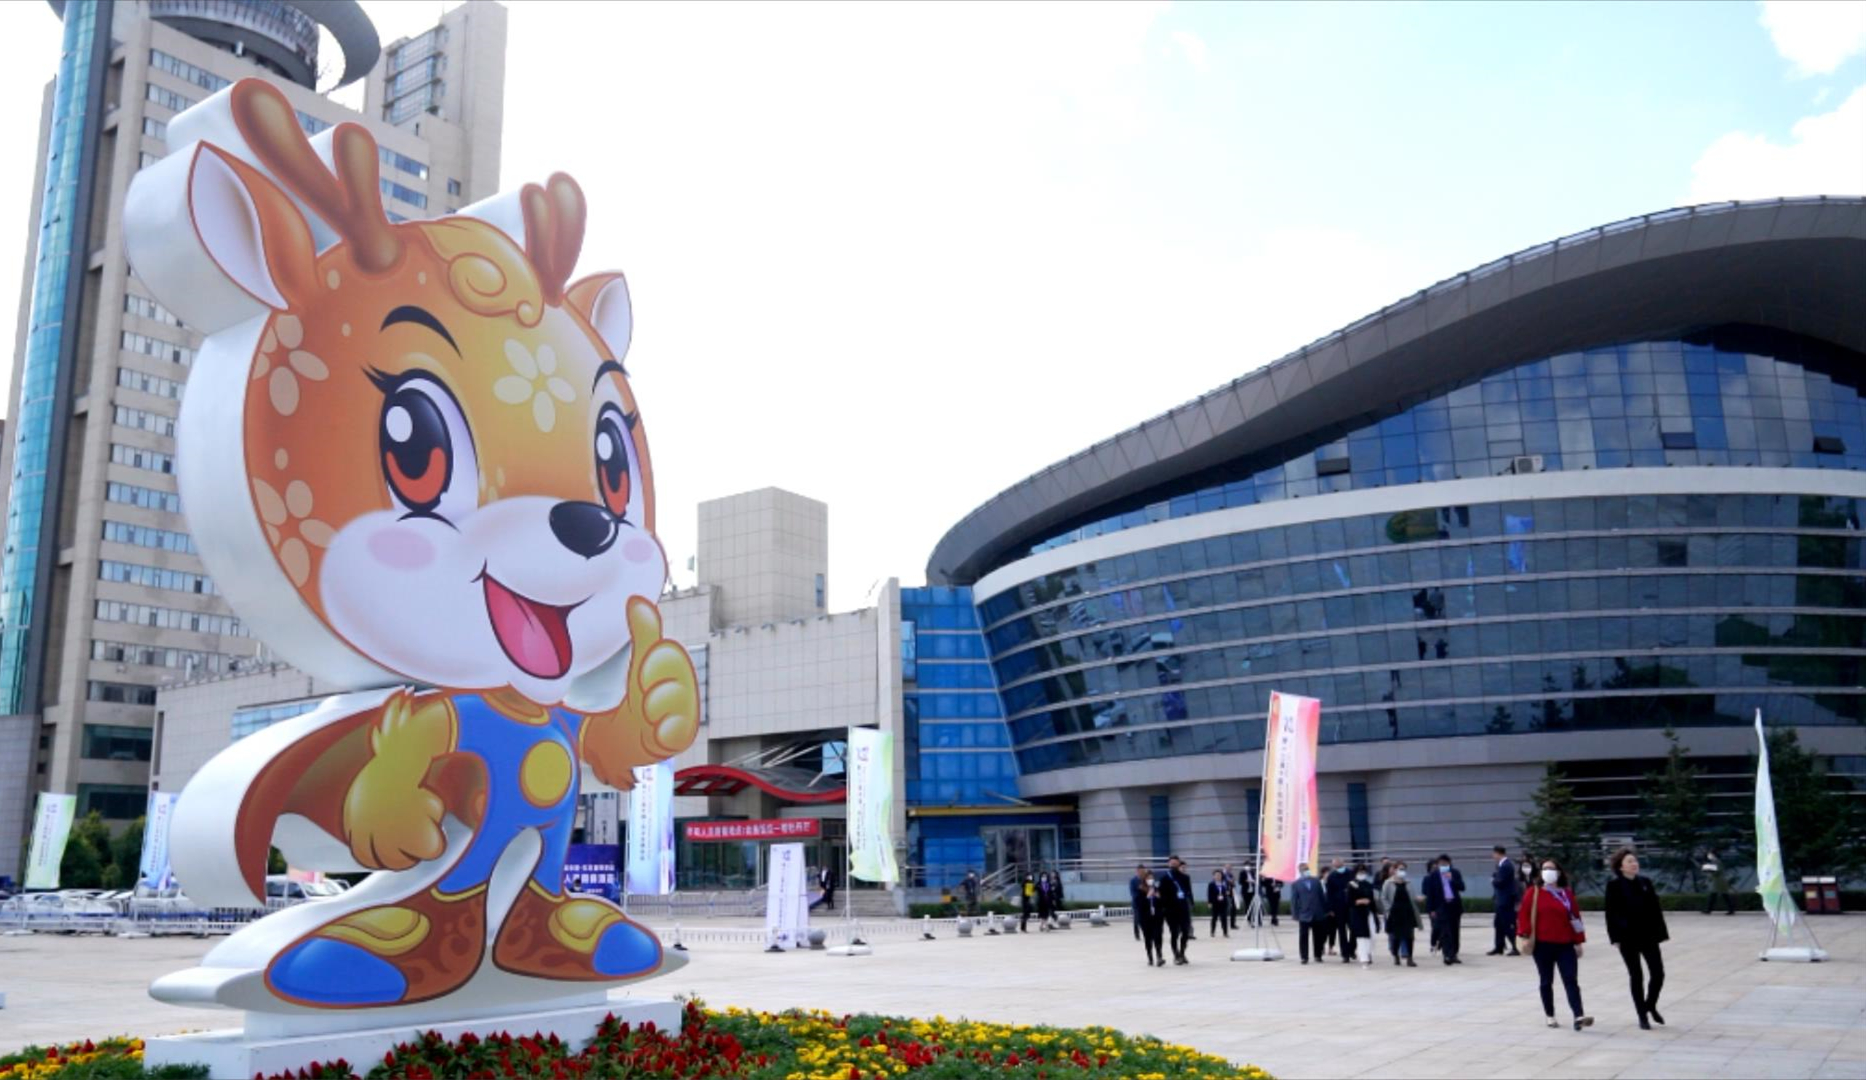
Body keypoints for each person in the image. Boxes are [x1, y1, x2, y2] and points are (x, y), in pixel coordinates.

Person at [1519, 857, 1594, 1031]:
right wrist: (1524, 935)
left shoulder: (1566, 894)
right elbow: (1523, 915)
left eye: (1551, 868)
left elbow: (1575, 918)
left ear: (1559, 873)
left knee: (1571, 979)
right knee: (1546, 981)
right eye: (1545, 868)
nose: (1548, 871)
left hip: (1565, 944)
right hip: (1542, 945)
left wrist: (1578, 941)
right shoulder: (1534, 892)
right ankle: (1550, 1015)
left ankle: (1578, 1015)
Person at [1604, 848, 1669, 1029]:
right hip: (1627, 938)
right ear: (1621, 867)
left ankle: (1650, 1004)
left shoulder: (1645, 882)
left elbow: (1656, 909)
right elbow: (1610, 914)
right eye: (1630, 861)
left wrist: (1662, 933)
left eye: (1635, 860)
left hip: (1649, 936)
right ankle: (1642, 1015)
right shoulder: (1614, 886)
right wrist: (1615, 937)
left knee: (1658, 973)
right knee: (1636, 976)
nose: (1634, 864)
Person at [1424, 853, 1466, 965]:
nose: (1443, 866)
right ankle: (1447, 955)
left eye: (1445, 864)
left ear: (1449, 864)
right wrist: (1431, 909)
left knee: (1455, 931)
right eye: (1441, 864)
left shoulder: (1455, 873)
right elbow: (1430, 893)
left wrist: (1451, 879)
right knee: (1445, 932)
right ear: (1438, 864)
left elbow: (1462, 887)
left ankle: (1454, 954)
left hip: (1454, 907)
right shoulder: (1433, 875)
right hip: (1441, 908)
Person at [1379, 861, 1423, 966]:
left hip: (1408, 912)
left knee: (1409, 936)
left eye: (1404, 869)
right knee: (1396, 937)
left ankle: (1410, 958)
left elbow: (1412, 896)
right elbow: (1383, 897)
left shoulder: (1408, 882)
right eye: (1400, 869)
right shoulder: (1388, 883)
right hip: (1395, 913)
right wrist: (1389, 909)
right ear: (1394, 870)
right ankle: (1395, 955)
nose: (1402, 871)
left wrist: (1418, 899)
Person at [1290, 862, 1329, 964]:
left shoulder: (1316, 881)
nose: (1306, 871)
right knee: (1303, 936)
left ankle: (1318, 955)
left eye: (1307, 869)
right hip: (1304, 913)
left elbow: (1322, 896)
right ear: (1300, 871)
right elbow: (1294, 900)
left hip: (1317, 912)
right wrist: (1295, 914)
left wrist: (1325, 910)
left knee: (1318, 936)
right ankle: (1304, 957)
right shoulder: (1296, 884)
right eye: (1304, 870)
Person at [1489, 844, 1522, 956]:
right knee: (1498, 924)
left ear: (1498, 853)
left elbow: (1500, 882)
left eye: (1494, 854)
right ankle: (1499, 946)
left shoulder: (1506, 866)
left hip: (1506, 900)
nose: (1493, 856)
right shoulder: (1501, 865)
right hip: (1501, 899)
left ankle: (1516, 946)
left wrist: (1493, 880)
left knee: (1508, 924)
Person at [1347, 864, 1376, 962]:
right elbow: (1349, 901)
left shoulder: (1368, 884)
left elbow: (1372, 900)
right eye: (1360, 872)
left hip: (1368, 912)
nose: (1362, 874)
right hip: (1357, 913)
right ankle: (1364, 957)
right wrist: (1358, 901)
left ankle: (1369, 952)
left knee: (1372, 935)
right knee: (1362, 936)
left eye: (1363, 872)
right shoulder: (1352, 884)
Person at [1323, 858, 1351, 959]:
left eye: (1339, 865)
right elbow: (1329, 894)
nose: (1337, 867)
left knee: (1354, 929)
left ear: (1343, 863)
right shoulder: (1332, 876)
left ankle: (1351, 948)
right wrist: (1330, 909)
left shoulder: (1350, 873)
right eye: (1336, 866)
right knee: (1342, 931)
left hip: (1351, 906)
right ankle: (1345, 954)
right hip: (1338, 907)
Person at [1138, 874, 1168, 967]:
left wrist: (1159, 897)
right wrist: (1147, 896)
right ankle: (1150, 957)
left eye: (1152, 878)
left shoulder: (1157, 889)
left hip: (1157, 917)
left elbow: (1163, 902)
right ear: (1144, 880)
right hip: (1146, 918)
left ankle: (1159, 956)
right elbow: (1139, 904)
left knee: (1158, 936)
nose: (1150, 880)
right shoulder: (1140, 890)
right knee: (1148, 938)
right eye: (1148, 878)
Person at [1169, 856, 1196, 944]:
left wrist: (1192, 901)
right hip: (1175, 900)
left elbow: (1189, 890)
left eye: (1185, 868)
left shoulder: (1186, 877)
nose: (1184, 869)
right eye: (1182, 867)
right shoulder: (1172, 876)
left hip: (1185, 899)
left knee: (1188, 917)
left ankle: (1189, 933)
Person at [1702, 849, 1735, 916]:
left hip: (1719, 881)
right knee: (1721, 895)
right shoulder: (1716, 861)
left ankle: (1708, 910)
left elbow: (1717, 871)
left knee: (1718, 895)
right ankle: (1709, 910)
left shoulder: (1716, 861)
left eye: (1710, 854)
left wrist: (1709, 872)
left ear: (1713, 855)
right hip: (1718, 880)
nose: (1709, 856)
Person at [1207, 870, 1232, 938]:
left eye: (1219, 875)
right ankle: (1212, 932)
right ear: (1214, 876)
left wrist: (1228, 892)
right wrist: (1209, 902)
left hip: (1223, 903)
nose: (1218, 876)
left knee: (1224, 918)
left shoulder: (1224, 883)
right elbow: (1209, 894)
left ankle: (1225, 932)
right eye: (1216, 875)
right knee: (1214, 918)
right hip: (1215, 903)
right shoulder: (1211, 884)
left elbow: (1228, 891)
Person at [1128, 863, 1148, 941]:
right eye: (1140, 871)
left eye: (1143, 871)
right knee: (1137, 919)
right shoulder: (1133, 880)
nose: (1142, 873)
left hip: (1145, 902)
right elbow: (1133, 892)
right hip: (1137, 902)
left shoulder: (1146, 879)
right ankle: (1137, 934)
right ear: (1137, 871)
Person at [1224, 864, 1243, 930]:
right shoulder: (1223, 874)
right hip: (1225, 893)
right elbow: (1230, 881)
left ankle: (1233, 924)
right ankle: (1225, 924)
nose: (1229, 868)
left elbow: (1233, 883)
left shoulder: (1231, 874)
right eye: (1228, 867)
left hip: (1232, 892)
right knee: (1226, 909)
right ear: (1225, 867)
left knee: (1233, 908)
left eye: (1230, 867)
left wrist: (1232, 881)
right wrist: (1232, 881)